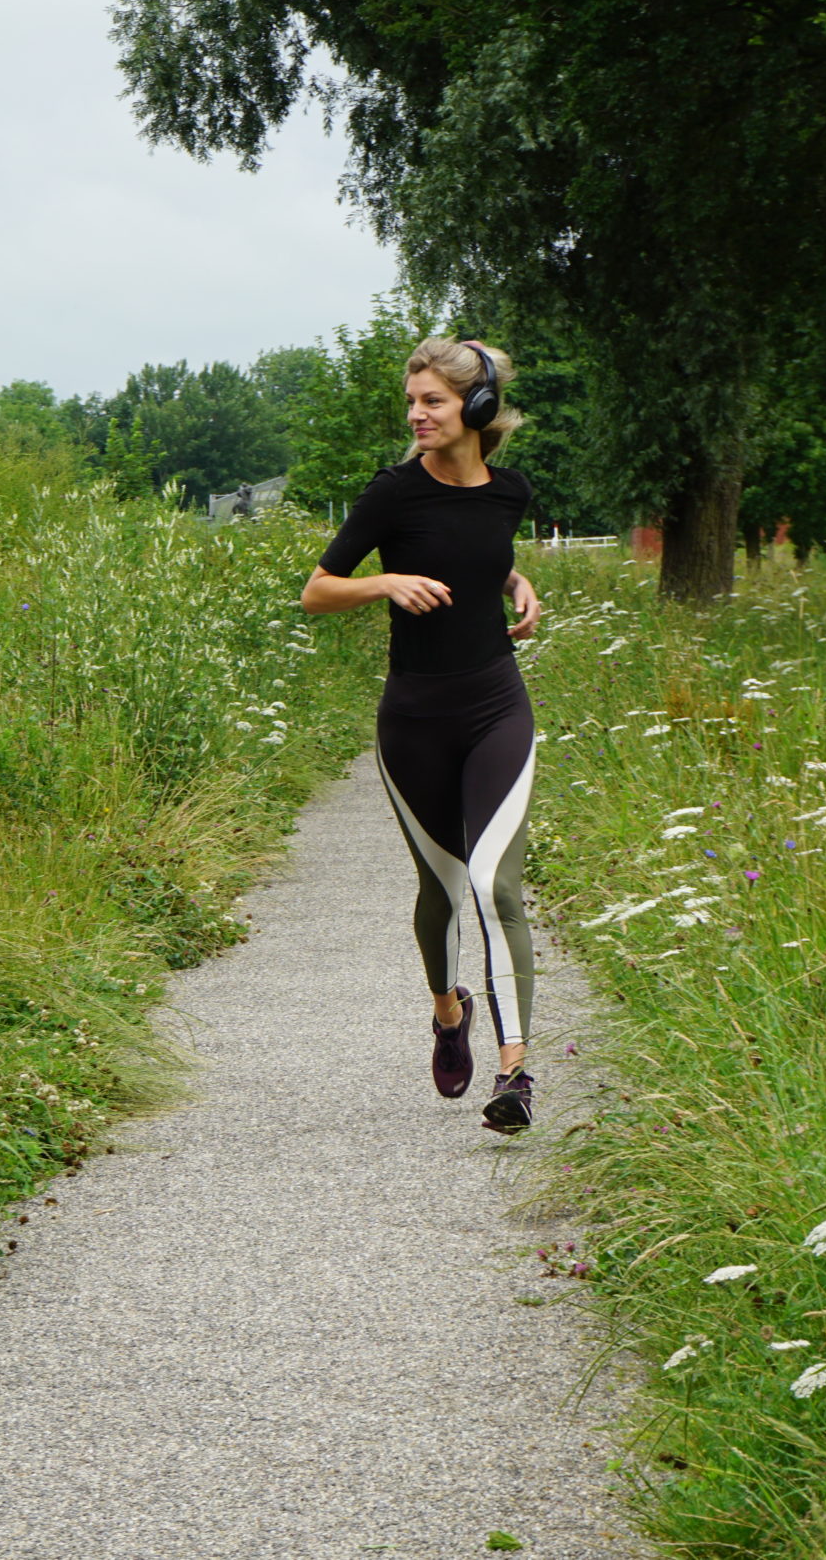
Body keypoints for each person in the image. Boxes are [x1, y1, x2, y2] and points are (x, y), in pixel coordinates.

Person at [298, 338, 545, 1131]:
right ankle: (448, 1012)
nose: (416, 413)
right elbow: (317, 590)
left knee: (494, 885)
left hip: (498, 706)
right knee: (440, 891)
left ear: (474, 408)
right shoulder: (393, 494)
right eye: (412, 400)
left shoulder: (512, 492)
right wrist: (384, 582)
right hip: (413, 722)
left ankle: (515, 1074)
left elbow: (480, 544)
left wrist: (515, 579)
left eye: (432, 400)